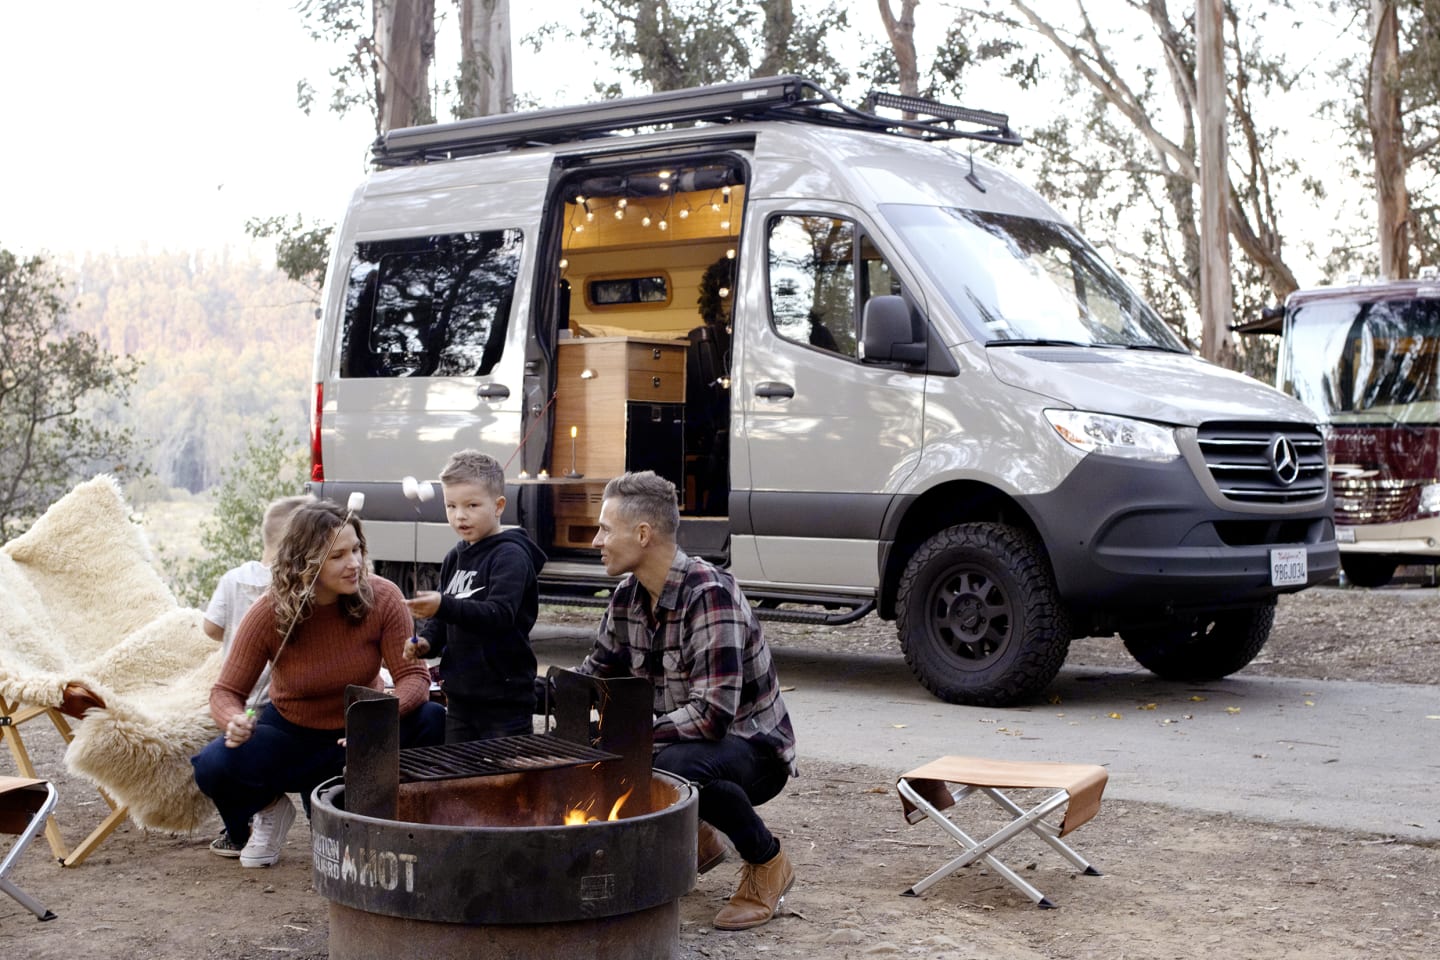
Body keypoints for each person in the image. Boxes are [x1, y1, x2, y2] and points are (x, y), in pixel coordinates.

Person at [575, 471, 796, 931]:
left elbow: (713, 715)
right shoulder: (626, 597)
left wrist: (627, 735)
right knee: (634, 754)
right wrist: (527, 692)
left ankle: (767, 862)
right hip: (681, 743)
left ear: (642, 533)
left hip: (753, 749)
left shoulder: (708, 594)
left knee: (677, 761)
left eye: (604, 529)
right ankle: (698, 839)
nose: (596, 540)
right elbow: (592, 676)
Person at [191, 500, 444, 868]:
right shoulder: (269, 611)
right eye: (338, 555)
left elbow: (413, 678)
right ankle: (268, 811)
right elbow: (225, 693)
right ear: (305, 561)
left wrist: (375, 722)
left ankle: (401, 816)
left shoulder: (383, 597)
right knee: (212, 764)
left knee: (433, 719)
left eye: (356, 549)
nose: (354, 563)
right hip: (291, 737)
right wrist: (232, 719)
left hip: (361, 738)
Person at [403, 450, 547, 742]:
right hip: (459, 701)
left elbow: (499, 615)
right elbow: (444, 624)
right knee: (460, 782)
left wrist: (443, 605)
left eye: (471, 505)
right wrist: (427, 643)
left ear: (498, 506)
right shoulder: (453, 558)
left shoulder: (510, 556)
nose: (460, 516)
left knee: (503, 783)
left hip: (505, 702)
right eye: (451, 505)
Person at [202, 494, 313, 711]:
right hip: (279, 703)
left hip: (237, 697)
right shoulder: (299, 585)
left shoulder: (233, 578)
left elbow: (211, 628)